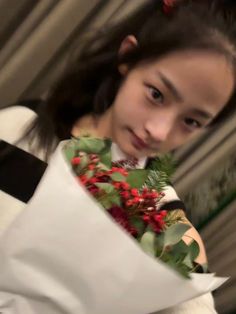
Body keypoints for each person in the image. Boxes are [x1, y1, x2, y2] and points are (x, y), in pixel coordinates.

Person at [0, 0, 235, 312]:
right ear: (128, 57)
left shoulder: (160, 210)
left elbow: (194, 299)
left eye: (191, 121)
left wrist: (185, 272)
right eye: (156, 94)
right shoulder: (16, 129)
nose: (159, 132)